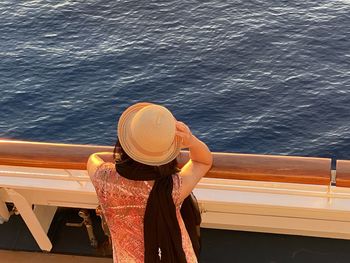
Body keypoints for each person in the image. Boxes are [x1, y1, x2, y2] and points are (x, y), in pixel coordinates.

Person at [87, 102, 212, 263]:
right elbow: (202, 161)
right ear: (167, 154)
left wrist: (132, 154)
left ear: (124, 144)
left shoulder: (103, 177)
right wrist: (191, 141)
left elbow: (94, 158)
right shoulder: (173, 188)